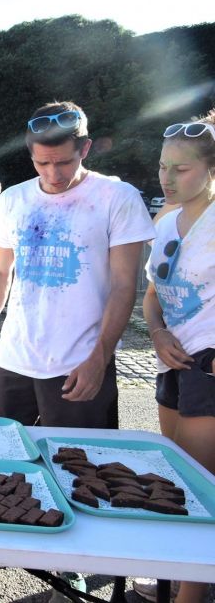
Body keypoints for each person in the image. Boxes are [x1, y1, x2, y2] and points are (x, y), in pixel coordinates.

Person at [0, 101, 155, 599]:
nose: (53, 173)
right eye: (42, 163)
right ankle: (1, 545)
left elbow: (123, 285)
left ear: (84, 148)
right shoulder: (15, 200)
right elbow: (0, 273)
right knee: (4, 457)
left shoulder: (117, 196)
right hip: (17, 356)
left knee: (78, 467)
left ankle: (70, 558)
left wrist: (99, 357)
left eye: (63, 162)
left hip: (79, 359)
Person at [136, 113, 215, 603]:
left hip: (207, 364)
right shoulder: (165, 220)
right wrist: (159, 332)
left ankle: (192, 592)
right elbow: (151, 294)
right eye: (163, 166)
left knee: (199, 486)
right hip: (172, 362)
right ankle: (184, 573)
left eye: (181, 169)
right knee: (180, 473)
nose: (166, 178)